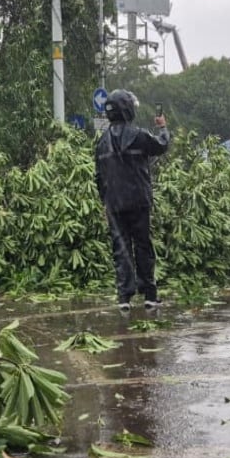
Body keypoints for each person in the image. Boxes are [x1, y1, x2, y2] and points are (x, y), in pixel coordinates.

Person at [94, 89, 170, 311]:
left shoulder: (101, 142)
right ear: (127, 109)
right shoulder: (139, 136)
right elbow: (162, 145)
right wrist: (162, 126)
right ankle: (149, 294)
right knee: (143, 246)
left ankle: (124, 297)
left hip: (114, 204)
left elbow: (99, 177)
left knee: (121, 249)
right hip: (139, 201)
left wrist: (104, 202)